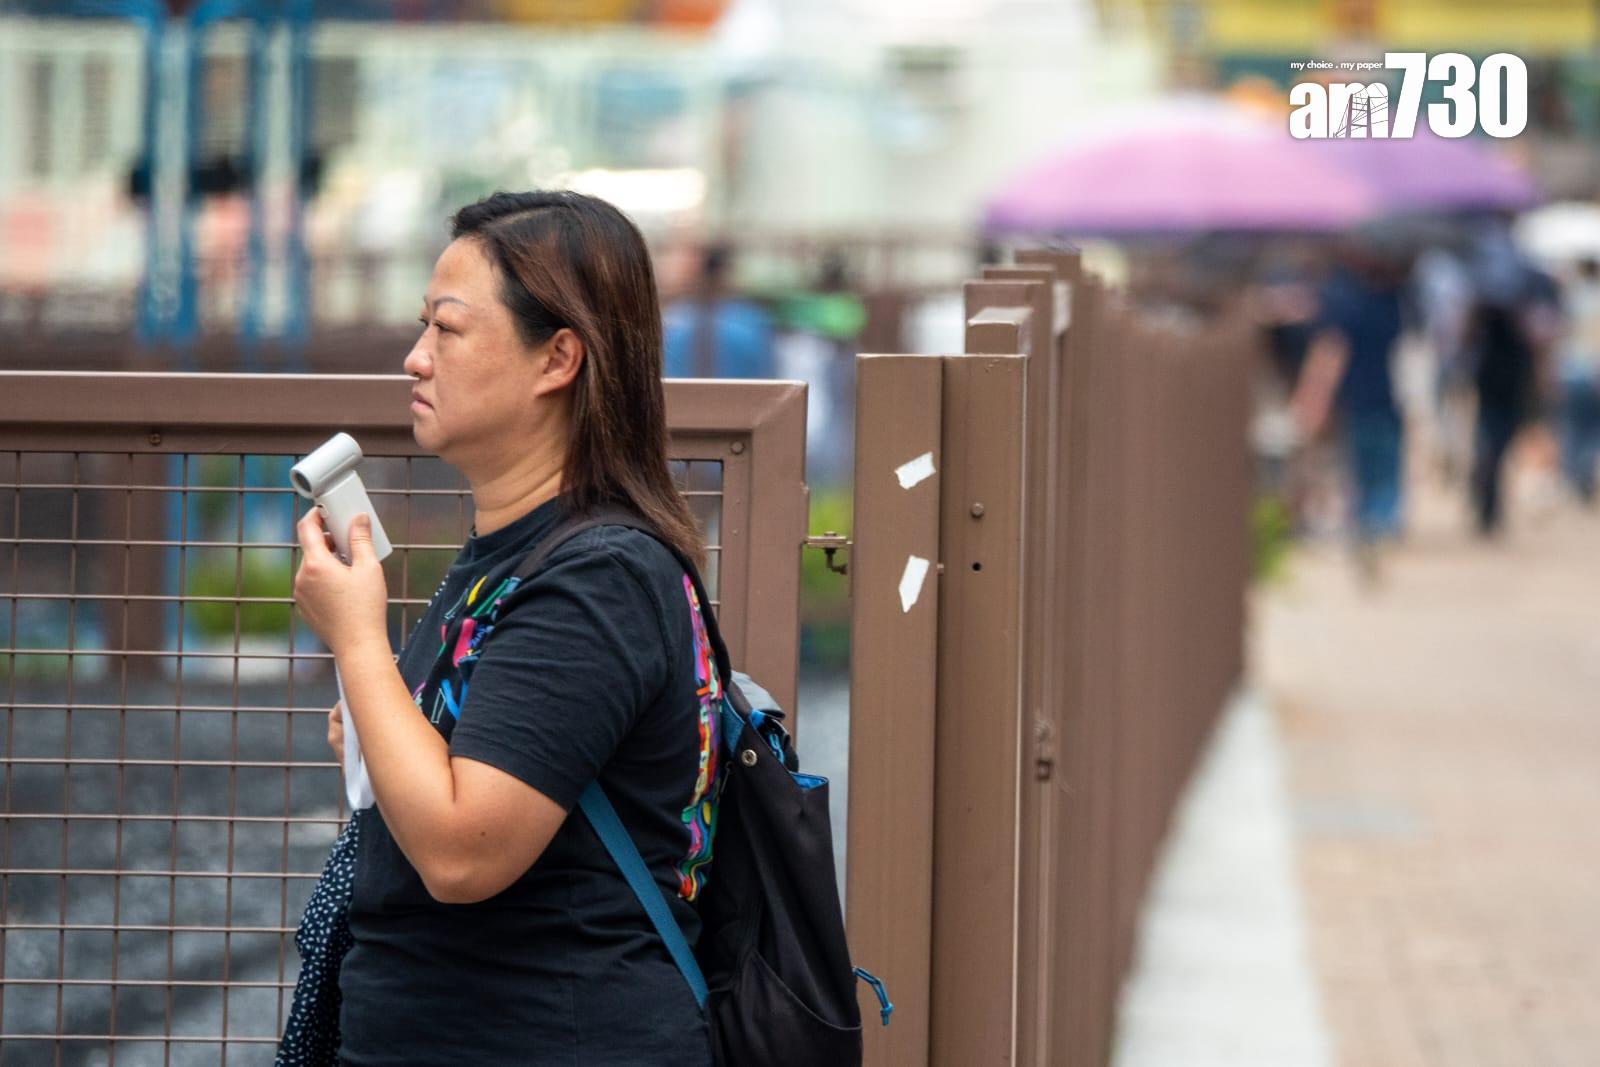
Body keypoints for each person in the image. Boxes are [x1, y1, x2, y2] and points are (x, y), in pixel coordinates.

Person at [291, 190, 719, 1064]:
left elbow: (461, 853)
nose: (415, 359)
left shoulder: (600, 577)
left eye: (447, 330)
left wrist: (360, 639)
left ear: (558, 357)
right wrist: (382, 720)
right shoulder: (517, 552)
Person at [1292, 243, 1409, 561]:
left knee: (1362, 467)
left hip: (1360, 398)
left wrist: (1313, 399)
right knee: (1380, 466)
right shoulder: (1388, 298)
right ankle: (1378, 524)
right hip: (1380, 396)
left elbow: (1329, 354)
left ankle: (1369, 526)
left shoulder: (1343, 300)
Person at [662, 242, 775, 379]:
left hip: (678, 398)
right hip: (742, 397)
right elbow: (769, 374)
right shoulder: (748, 321)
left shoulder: (675, 318)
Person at [1558, 257, 1600, 503]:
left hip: (1571, 371)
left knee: (1573, 427)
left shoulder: (1570, 300)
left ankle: (1574, 476)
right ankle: (1583, 474)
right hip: (1592, 372)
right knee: (1593, 427)